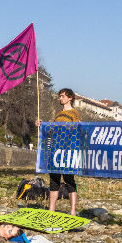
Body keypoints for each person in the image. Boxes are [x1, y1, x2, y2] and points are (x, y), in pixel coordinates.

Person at [35, 87, 81, 216]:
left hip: (67, 152)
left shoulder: (74, 113)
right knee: (54, 181)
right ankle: (51, 209)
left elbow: (75, 131)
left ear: (70, 98)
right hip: (56, 151)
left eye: (62, 96)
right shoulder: (58, 115)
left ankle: (72, 211)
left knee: (69, 181)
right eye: (60, 96)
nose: (60, 98)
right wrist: (42, 125)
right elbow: (53, 131)